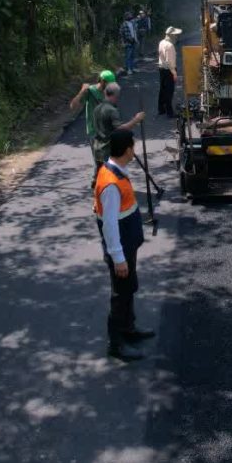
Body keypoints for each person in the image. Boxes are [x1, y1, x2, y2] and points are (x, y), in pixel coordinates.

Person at [93, 129, 155, 362]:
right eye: (133, 147)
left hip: (127, 245)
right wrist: (118, 258)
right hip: (121, 248)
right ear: (127, 149)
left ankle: (129, 329)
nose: (134, 151)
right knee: (120, 295)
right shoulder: (110, 184)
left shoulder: (113, 171)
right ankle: (116, 345)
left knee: (128, 289)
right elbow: (109, 225)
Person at [92, 83, 145, 183]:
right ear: (114, 95)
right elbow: (120, 129)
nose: (117, 99)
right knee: (113, 179)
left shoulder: (97, 108)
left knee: (101, 177)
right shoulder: (112, 110)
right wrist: (136, 120)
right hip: (108, 150)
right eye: (117, 97)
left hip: (97, 148)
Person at [70, 70, 116, 166]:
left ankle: (104, 180)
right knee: (100, 165)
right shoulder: (90, 91)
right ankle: (96, 180)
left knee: (109, 163)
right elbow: (73, 106)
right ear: (102, 81)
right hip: (94, 132)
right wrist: (82, 91)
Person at [158, 26, 181, 117]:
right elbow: (170, 62)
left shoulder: (161, 42)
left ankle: (161, 109)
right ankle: (169, 112)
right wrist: (174, 73)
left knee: (162, 89)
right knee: (169, 91)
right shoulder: (170, 46)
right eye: (175, 35)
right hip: (168, 70)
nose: (176, 37)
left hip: (161, 68)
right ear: (171, 35)